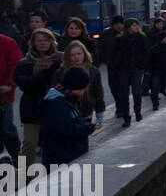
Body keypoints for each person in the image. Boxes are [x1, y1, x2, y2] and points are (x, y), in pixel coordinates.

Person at [14, 29, 63, 161]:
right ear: (33, 43)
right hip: (32, 106)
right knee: (29, 143)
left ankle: (55, 173)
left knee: (54, 143)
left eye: (46, 40)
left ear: (52, 42)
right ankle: (26, 177)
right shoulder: (25, 62)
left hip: (56, 106)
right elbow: (25, 84)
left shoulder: (62, 59)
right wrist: (46, 72)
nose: (43, 43)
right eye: (39, 40)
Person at [39, 67, 95, 167]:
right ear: (74, 87)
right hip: (62, 159)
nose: (83, 93)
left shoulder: (65, 101)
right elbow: (66, 129)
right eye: (82, 89)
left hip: (67, 156)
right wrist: (89, 127)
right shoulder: (57, 105)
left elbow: (71, 123)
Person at [53, 40, 106, 130]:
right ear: (68, 56)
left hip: (87, 110)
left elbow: (98, 93)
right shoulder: (61, 72)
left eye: (79, 54)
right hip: (68, 112)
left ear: (85, 54)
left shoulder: (93, 71)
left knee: (83, 138)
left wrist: (99, 115)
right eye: (72, 55)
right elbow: (54, 90)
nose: (76, 57)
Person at [111, 18, 148, 126]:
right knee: (124, 93)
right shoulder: (120, 39)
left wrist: (142, 65)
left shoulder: (142, 38)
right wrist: (118, 65)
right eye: (134, 25)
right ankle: (126, 116)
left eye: (137, 25)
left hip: (136, 68)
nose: (136, 27)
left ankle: (138, 112)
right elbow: (114, 54)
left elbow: (146, 52)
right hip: (124, 69)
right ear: (128, 27)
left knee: (137, 91)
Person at [0, 31, 22, 163]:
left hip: (3, 96)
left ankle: (17, 156)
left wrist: (8, 84)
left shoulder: (7, 42)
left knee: (6, 128)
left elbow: (16, 65)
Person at [99, 15, 127, 118]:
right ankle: (119, 106)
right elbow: (100, 48)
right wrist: (105, 59)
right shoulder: (106, 34)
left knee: (123, 88)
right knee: (113, 87)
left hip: (124, 65)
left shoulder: (126, 33)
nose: (119, 26)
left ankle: (122, 108)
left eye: (121, 24)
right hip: (111, 65)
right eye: (117, 24)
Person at [147, 30, 166, 109]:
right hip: (157, 71)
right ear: (162, 38)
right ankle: (156, 103)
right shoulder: (154, 49)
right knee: (156, 87)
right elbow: (150, 61)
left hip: (165, 70)